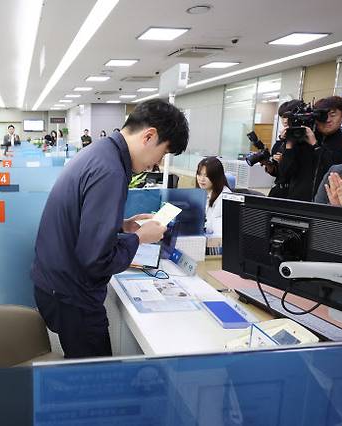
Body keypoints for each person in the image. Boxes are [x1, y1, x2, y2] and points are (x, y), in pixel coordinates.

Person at [31, 99, 189, 359]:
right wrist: (139, 237)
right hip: (72, 293)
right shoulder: (111, 170)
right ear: (149, 136)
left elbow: (81, 218)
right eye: (163, 153)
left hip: (56, 283)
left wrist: (123, 225)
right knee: (96, 377)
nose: (158, 163)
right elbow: (95, 259)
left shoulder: (101, 152)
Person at [277, 100, 336, 201]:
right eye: (283, 117)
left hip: (318, 198)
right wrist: (289, 145)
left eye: (290, 116)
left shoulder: (320, 139)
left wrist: (314, 144)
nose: (286, 121)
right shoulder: (290, 142)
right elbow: (284, 175)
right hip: (294, 198)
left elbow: (331, 168)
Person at [261, 100, 304, 198]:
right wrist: (269, 165)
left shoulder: (304, 141)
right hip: (279, 190)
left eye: (288, 117)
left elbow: (298, 171)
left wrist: (284, 160)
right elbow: (278, 173)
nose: (285, 120)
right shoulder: (280, 143)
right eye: (283, 117)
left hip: (295, 193)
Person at [196, 156, 232, 236]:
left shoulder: (225, 197)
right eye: (199, 174)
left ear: (216, 177)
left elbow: (214, 228)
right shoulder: (201, 193)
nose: (201, 179)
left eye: (206, 175)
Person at [314, 96, 342, 165]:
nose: (328, 120)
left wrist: (315, 145)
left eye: (333, 115)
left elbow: (335, 169)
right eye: (323, 116)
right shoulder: (304, 138)